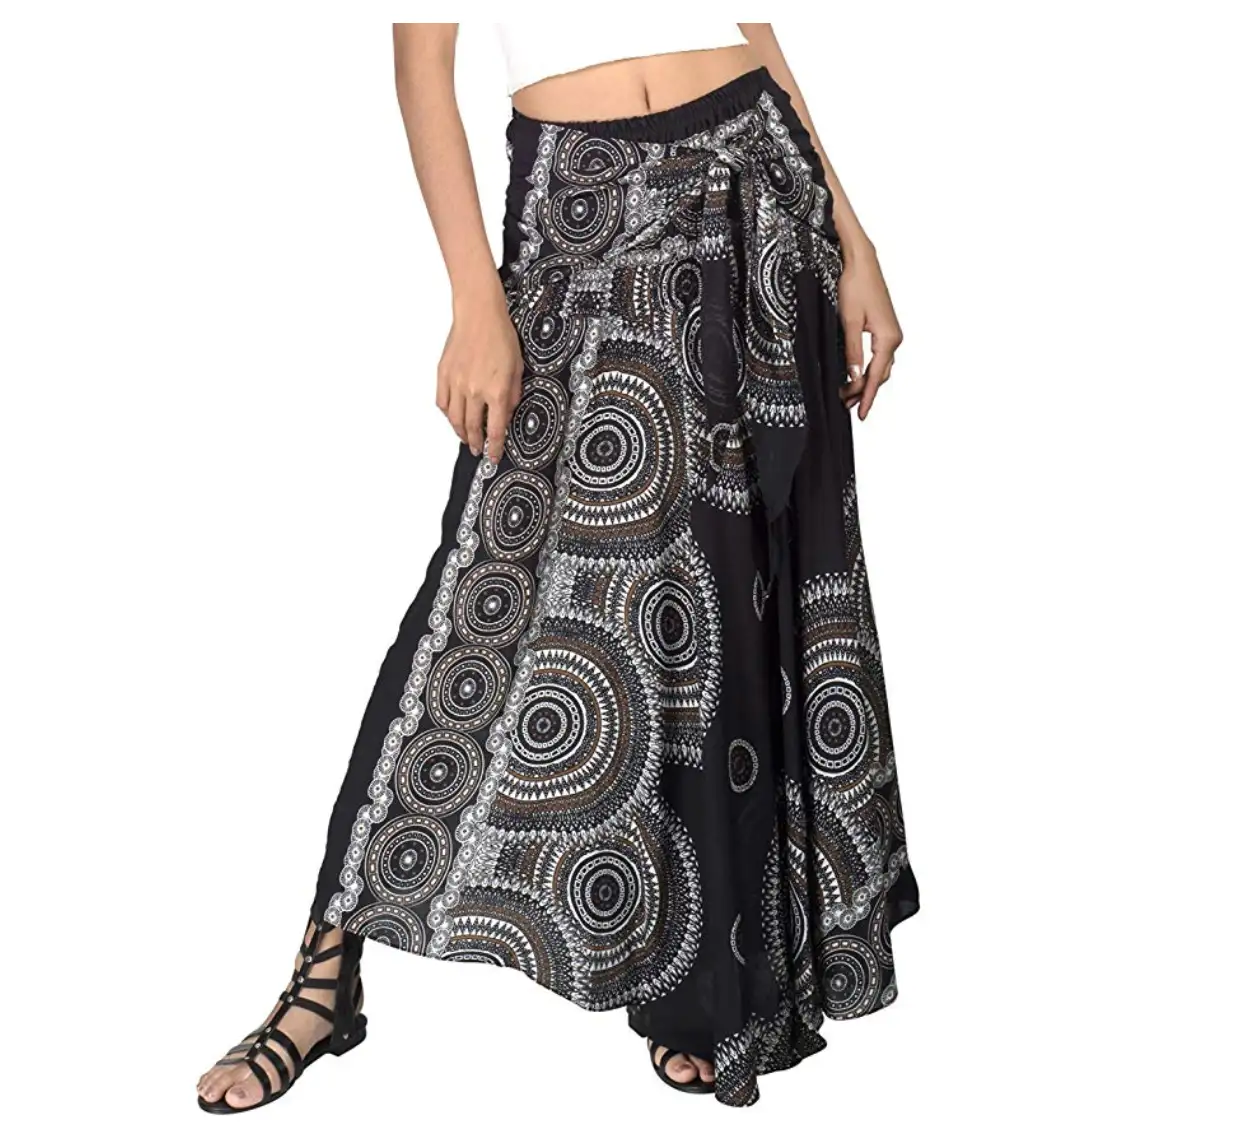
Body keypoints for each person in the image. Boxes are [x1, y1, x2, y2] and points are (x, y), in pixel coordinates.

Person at [196, 21, 919, 1112]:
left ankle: (704, 990)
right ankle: (324, 976)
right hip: (583, 205)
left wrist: (855, 240)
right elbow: (421, 69)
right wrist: (474, 298)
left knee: (729, 606)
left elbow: (754, 27)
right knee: (483, 601)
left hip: (761, 193)